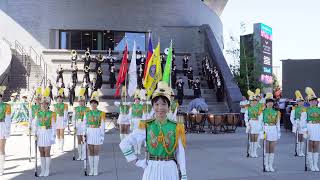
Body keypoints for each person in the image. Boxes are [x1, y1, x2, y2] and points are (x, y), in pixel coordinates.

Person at [119, 81, 187, 180]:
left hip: (170, 170)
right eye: (156, 104)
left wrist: (184, 175)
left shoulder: (176, 127)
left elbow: (180, 154)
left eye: (164, 104)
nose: (160, 108)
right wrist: (137, 161)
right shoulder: (146, 126)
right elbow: (124, 144)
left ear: (168, 106)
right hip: (151, 169)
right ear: (153, 106)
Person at [33, 87, 56, 177]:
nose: (43, 105)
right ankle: (42, 170)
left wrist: (52, 136)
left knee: (47, 152)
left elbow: (54, 126)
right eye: (42, 103)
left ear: (48, 104)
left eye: (45, 104)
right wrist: (35, 133)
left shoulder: (52, 113)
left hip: (48, 132)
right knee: (41, 152)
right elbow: (35, 124)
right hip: (40, 133)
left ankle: (47, 170)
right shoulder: (37, 113)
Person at [83, 91, 106, 176]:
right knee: (90, 151)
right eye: (92, 103)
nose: (93, 105)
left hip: (97, 132)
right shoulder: (87, 113)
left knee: (96, 151)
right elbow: (84, 124)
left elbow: (102, 126)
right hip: (89, 132)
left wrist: (102, 136)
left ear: (97, 104)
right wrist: (84, 133)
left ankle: (95, 169)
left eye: (95, 103)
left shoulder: (101, 113)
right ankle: (91, 169)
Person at [301, 87, 320, 171]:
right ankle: (311, 164)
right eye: (312, 100)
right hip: (310, 127)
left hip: (317, 128)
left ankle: (315, 164)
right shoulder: (306, 110)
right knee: (310, 145)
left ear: (317, 101)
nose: (313, 101)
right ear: (309, 101)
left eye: (315, 100)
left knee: (316, 145)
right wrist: (305, 130)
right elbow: (303, 121)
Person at [261, 93, 281, 172]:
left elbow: (278, 123)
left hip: (273, 129)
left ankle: (270, 165)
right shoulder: (263, 111)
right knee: (267, 148)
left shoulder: (276, 112)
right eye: (268, 102)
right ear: (266, 103)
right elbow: (261, 122)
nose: (270, 103)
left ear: (273, 103)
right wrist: (262, 132)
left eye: (271, 102)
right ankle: (266, 165)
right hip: (266, 129)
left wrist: (278, 132)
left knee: (272, 148)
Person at [72, 88, 89, 161]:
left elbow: (89, 118)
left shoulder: (87, 109)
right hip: (78, 125)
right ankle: (80, 155)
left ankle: (84, 155)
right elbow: (73, 118)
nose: (81, 102)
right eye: (80, 101)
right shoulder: (76, 109)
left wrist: (87, 126)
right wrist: (74, 125)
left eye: (82, 101)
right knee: (79, 140)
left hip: (84, 125)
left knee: (84, 139)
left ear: (84, 101)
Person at [245, 89, 263, 158]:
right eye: (252, 101)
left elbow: (261, 116)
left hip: (257, 123)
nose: (254, 102)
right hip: (251, 123)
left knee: (256, 138)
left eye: (255, 101)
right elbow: (246, 117)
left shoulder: (259, 108)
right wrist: (247, 124)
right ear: (250, 102)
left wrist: (259, 120)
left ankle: (255, 152)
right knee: (252, 138)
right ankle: (251, 151)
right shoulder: (248, 109)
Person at [290, 90, 306, 157]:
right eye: (299, 101)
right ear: (297, 102)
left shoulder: (305, 109)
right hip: (296, 124)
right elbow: (292, 117)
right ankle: (298, 151)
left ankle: (301, 151)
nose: (301, 102)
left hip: (303, 125)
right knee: (298, 138)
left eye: (302, 101)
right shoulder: (294, 109)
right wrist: (294, 123)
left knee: (302, 137)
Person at [0, 86, 11, 175]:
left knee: (1, 148)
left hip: (2, 126)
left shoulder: (6, 106)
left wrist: (7, 130)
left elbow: (8, 119)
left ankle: (1, 168)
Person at [129, 90, 143, 154]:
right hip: (134, 121)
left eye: (138, 99)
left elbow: (144, 115)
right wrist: (130, 123)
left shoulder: (142, 106)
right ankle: (135, 150)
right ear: (134, 100)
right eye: (136, 99)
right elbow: (130, 115)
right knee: (134, 136)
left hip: (140, 121)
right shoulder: (132, 106)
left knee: (139, 136)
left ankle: (139, 150)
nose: (137, 100)